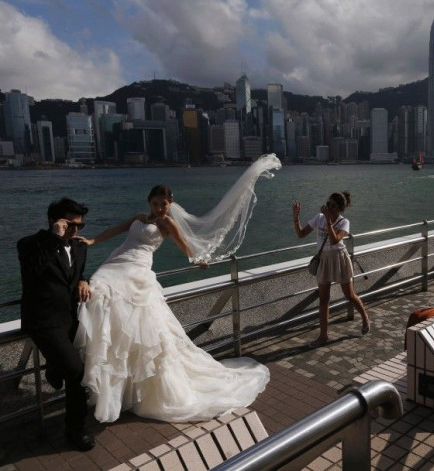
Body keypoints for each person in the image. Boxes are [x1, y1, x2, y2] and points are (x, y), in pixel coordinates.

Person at [73, 153, 281, 423]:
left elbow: (184, 245)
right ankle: (118, 382)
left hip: (137, 272)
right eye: (156, 203)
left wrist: (197, 259)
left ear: (170, 205)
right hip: (117, 263)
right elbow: (116, 231)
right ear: (150, 202)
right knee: (100, 295)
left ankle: (134, 386)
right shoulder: (139, 217)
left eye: (164, 204)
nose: (160, 208)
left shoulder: (167, 223)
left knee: (139, 326)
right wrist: (91, 240)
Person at [17, 198, 95, 451]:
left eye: (79, 226)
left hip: (69, 319)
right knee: (76, 371)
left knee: (76, 364)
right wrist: (54, 239)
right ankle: (75, 430)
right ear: (54, 221)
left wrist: (83, 280)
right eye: (70, 225)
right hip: (42, 321)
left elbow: (75, 273)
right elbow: (33, 272)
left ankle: (54, 367)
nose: (75, 231)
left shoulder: (80, 247)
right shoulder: (30, 244)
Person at [292, 191, 370, 347]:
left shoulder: (343, 222)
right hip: (324, 259)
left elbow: (335, 240)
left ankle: (365, 318)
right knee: (323, 299)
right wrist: (296, 217)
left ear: (340, 208)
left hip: (339, 258)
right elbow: (301, 234)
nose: (329, 208)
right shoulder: (319, 218)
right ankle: (323, 336)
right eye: (328, 204)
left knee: (349, 294)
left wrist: (328, 221)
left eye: (333, 206)